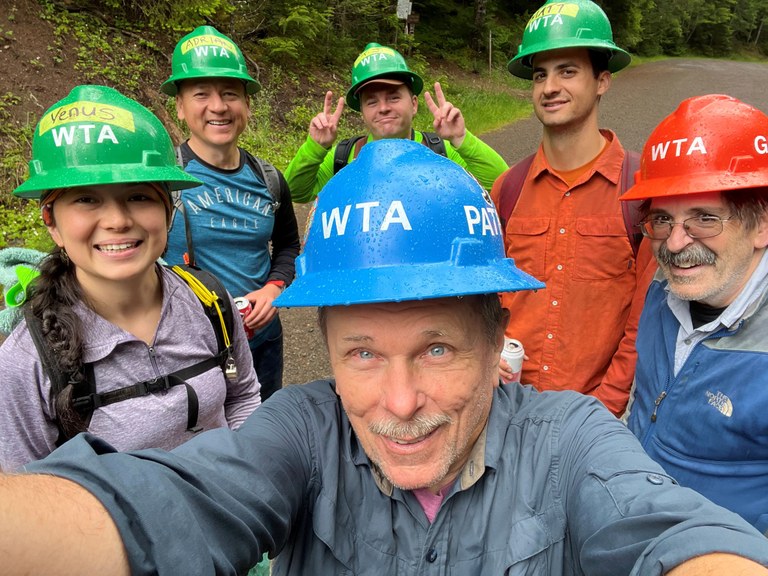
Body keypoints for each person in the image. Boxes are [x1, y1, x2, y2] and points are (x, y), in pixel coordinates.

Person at [3, 140, 768, 576]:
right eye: (362, 354)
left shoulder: (567, 438)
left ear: (496, 332)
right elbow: (165, 505)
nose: (400, 404)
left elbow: (674, 534)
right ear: (327, 346)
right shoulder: (304, 430)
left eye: (437, 348)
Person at [0, 85, 260, 470]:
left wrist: (243, 481)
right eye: (86, 198)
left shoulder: (209, 300)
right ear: (51, 221)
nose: (118, 220)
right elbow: (27, 501)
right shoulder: (25, 363)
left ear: (169, 211)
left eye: (138, 196)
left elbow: (241, 396)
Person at [490, 0, 655, 416]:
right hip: (505, 407)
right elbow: (486, 299)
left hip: (593, 419)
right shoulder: (507, 189)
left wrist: (604, 408)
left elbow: (643, 320)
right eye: (540, 74)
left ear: (602, 81)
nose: (549, 87)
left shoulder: (640, 188)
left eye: (567, 71)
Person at [622, 94, 768, 534]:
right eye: (663, 220)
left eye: (705, 218)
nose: (676, 244)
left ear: (762, 225)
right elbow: (644, 404)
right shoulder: (662, 290)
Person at [161, 26, 300, 400]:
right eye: (201, 94)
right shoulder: (161, 182)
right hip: (189, 352)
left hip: (262, 343)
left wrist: (274, 289)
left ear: (247, 105)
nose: (218, 106)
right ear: (180, 106)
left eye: (230, 94)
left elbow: (288, 246)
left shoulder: (269, 179)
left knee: (264, 435)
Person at [284, 41, 509, 207]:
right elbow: (295, 192)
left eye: (393, 97)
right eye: (372, 101)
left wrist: (461, 138)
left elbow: (501, 184)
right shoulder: (344, 157)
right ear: (362, 112)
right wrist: (315, 147)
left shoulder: (440, 151)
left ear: (413, 104)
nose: (383, 107)